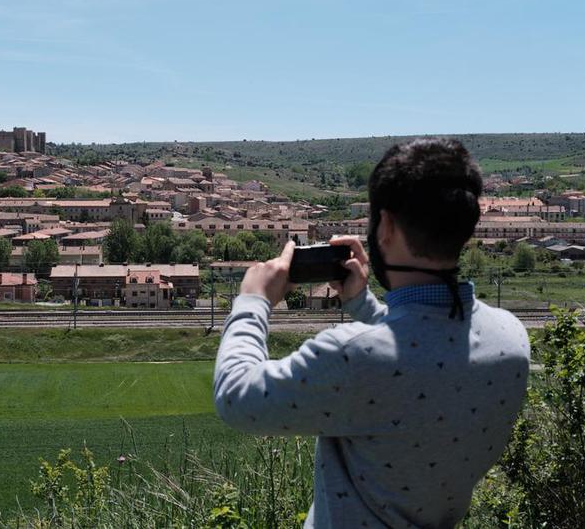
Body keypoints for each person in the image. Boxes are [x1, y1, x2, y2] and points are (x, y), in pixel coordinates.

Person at [213, 138, 530, 528]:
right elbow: (419, 351)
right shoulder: (511, 339)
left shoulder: (352, 356)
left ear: (387, 226)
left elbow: (236, 398)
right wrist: (363, 304)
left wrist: (252, 301)